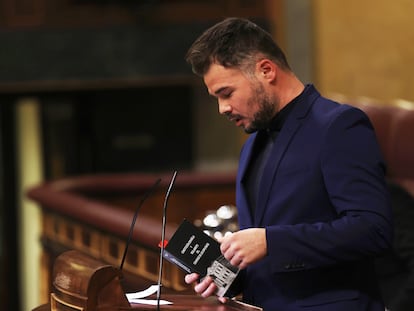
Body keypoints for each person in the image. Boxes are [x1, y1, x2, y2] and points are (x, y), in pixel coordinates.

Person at [183, 17, 393, 311]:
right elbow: (270, 254)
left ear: (266, 70)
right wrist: (229, 274)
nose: (222, 108)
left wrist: (270, 242)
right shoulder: (253, 143)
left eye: (226, 93)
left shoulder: (338, 126)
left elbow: (373, 229)